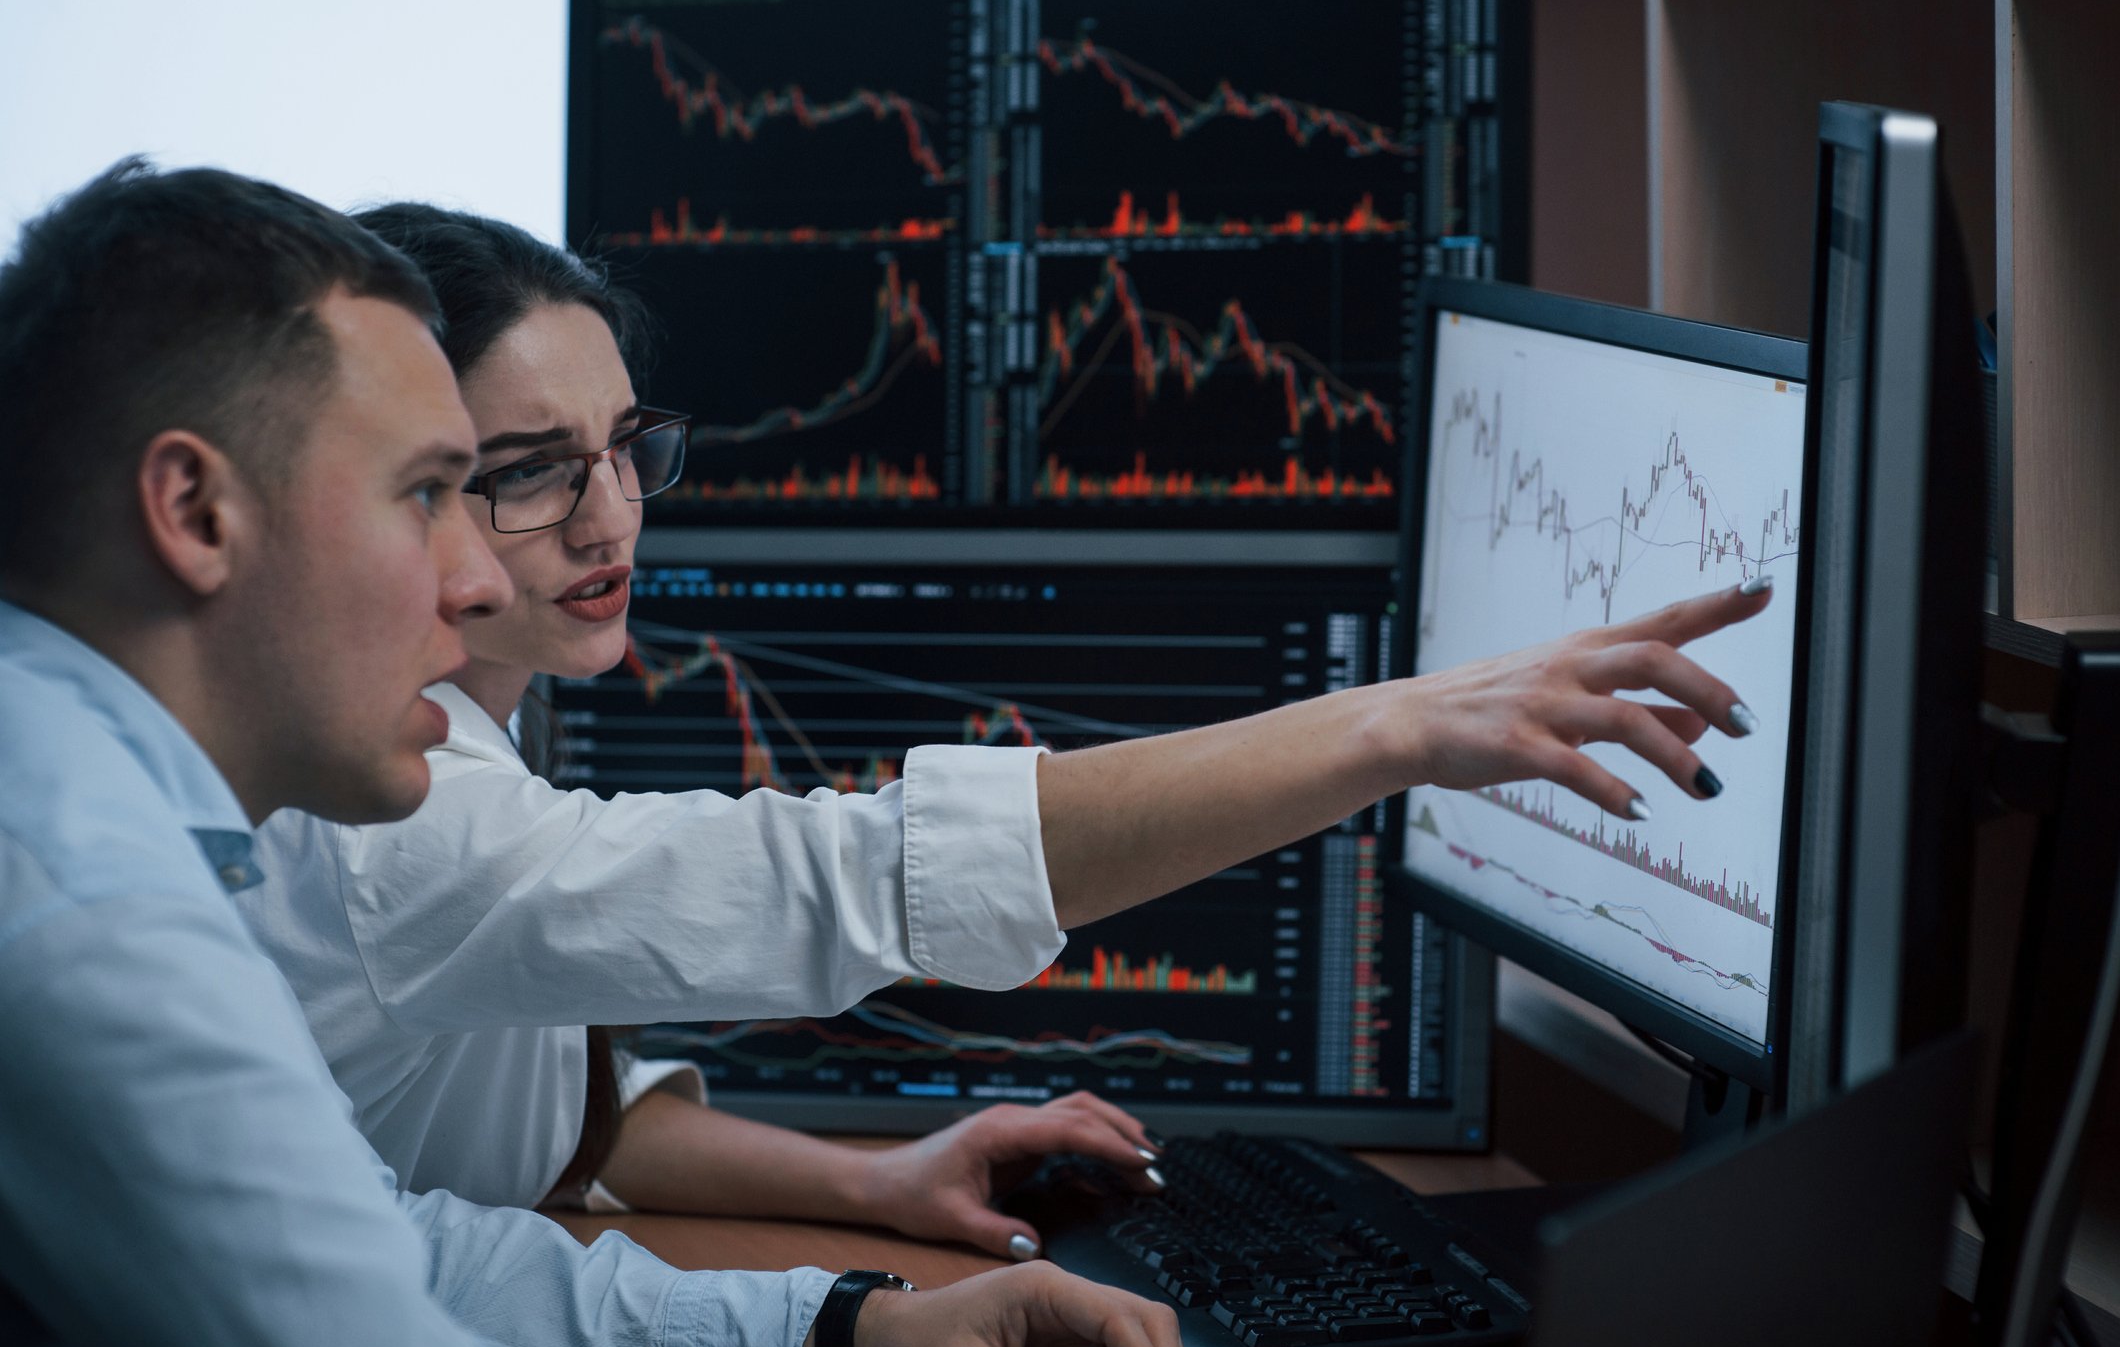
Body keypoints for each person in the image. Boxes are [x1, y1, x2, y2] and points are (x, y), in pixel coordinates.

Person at [241, 205, 1771, 1257]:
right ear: (410, 485)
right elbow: (848, 874)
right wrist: (1397, 729)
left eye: (627, 447)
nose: (611, 516)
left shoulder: (464, 739)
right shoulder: (399, 808)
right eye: (528, 470)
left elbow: (542, 1110)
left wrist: (878, 1179)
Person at [0, 159, 1225, 1347]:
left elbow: (390, 1241)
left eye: (623, 449)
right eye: (431, 490)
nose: (470, 576)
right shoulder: (92, 913)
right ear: (195, 510)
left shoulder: (87, 805)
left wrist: (842, 1323)